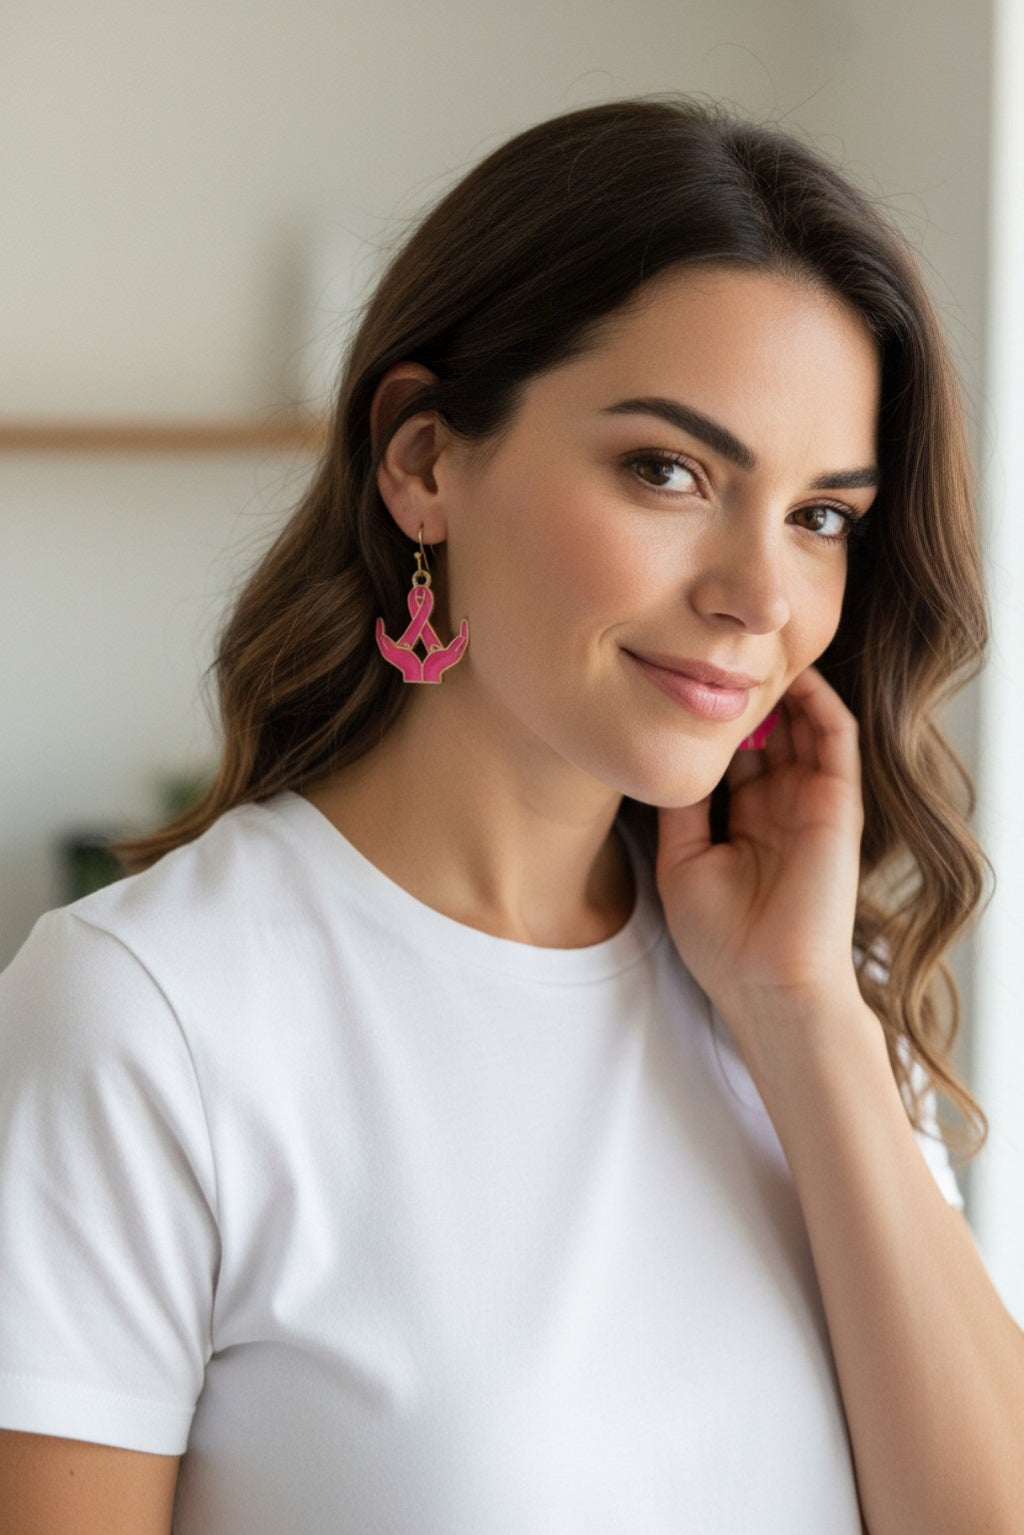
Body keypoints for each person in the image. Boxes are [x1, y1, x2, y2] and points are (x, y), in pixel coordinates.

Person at [0, 95, 1020, 1535]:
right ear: (423, 461)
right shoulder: (149, 1016)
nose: (762, 596)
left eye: (822, 516)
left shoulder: (810, 1002)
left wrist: (802, 1019)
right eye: (669, 471)